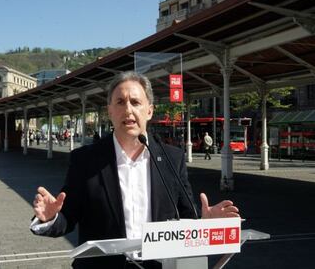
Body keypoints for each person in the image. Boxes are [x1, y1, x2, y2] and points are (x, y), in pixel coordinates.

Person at [31, 71, 239, 269]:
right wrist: (50, 218)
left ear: (149, 110)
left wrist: (204, 225)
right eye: (120, 102)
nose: (128, 109)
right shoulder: (85, 159)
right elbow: (68, 218)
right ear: (110, 111)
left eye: (136, 102)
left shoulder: (171, 159)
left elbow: (185, 218)